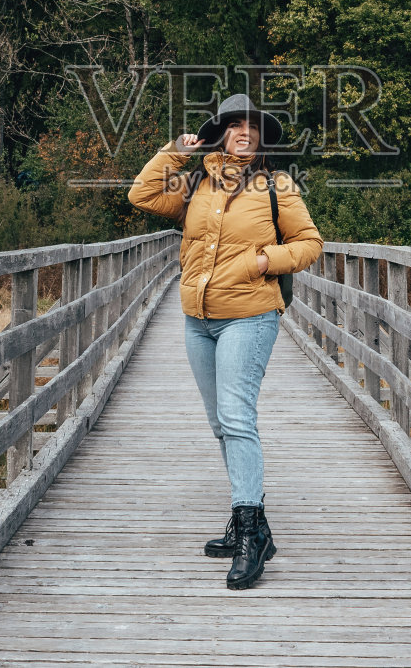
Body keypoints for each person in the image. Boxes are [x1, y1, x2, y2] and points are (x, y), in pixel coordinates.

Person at [128, 93, 323, 589]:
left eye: (252, 126)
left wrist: (263, 261)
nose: (243, 132)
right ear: (220, 133)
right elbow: (142, 195)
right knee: (221, 423)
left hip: (250, 316)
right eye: (234, 125)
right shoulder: (196, 183)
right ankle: (251, 521)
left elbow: (310, 244)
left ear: (261, 137)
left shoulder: (277, 185)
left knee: (236, 417)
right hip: (198, 318)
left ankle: (250, 537)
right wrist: (175, 152)